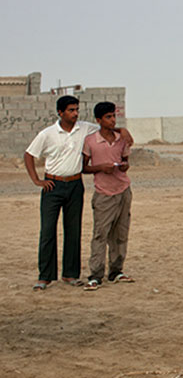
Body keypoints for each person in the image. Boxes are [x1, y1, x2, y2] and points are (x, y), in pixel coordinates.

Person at [24, 95, 133, 291]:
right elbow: (29, 155)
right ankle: (45, 277)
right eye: (71, 110)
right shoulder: (48, 134)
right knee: (48, 231)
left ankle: (70, 274)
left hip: (75, 185)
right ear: (60, 112)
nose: (75, 113)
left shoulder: (84, 128)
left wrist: (122, 130)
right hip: (53, 185)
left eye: (76, 110)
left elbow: (105, 126)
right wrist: (37, 180)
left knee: (73, 230)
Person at [82, 102, 135, 291]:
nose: (112, 120)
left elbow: (126, 161)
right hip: (104, 193)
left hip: (123, 190)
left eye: (114, 116)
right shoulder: (90, 141)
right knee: (100, 234)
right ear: (99, 120)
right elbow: (84, 167)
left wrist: (124, 166)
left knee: (120, 233)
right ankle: (96, 275)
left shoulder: (121, 139)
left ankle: (116, 271)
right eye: (108, 117)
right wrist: (100, 168)